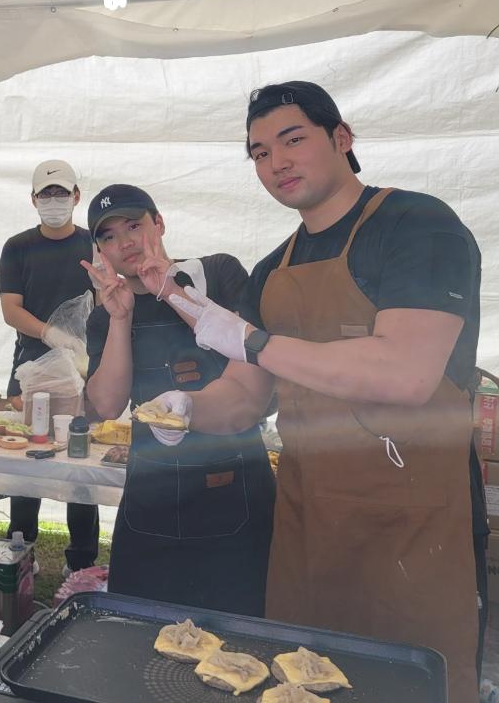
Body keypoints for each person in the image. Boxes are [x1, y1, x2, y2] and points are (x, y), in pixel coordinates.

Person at [163, 81, 483, 702]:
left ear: (341, 139)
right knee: (303, 678)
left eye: (292, 139)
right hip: (311, 517)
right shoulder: (272, 269)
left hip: (415, 523)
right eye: (258, 153)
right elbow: (247, 397)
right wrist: (190, 409)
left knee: (408, 684)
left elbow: (407, 373)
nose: (275, 162)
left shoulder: (417, 225)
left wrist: (252, 341)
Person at [82, 184, 275, 614]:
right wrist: (120, 319)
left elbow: (251, 354)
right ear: (100, 251)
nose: (125, 242)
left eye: (134, 225)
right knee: (141, 628)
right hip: (153, 490)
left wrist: (168, 289)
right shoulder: (107, 311)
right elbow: (107, 405)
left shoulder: (218, 273)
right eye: (108, 236)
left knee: (242, 630)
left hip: (235, 485)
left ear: (160, 223)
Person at [0, 160, 99, 574]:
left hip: (85, 371)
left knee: (82, 465)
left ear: (77, 196)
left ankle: (83, 564)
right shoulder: (18, 246)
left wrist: (90, 353)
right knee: (27, 462)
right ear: (34, 200)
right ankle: (21, 552)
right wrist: (52, 334)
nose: (54, 202)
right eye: (46, 194)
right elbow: (10, 309)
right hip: (31, 369)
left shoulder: (94, 243)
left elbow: (112, 298)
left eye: (62, 193)